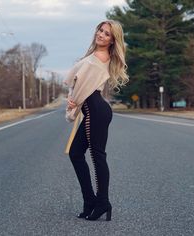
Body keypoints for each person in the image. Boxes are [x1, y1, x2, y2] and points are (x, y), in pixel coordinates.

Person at [64, 20, 128, 221]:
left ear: (112, 41)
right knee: (76, 153)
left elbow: (83, 87)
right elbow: (79, 85)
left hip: (96, 111)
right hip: (95, 110)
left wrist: (74, 103)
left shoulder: (98, 58)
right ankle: (90, 200)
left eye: (107, 34)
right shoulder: (95, 55)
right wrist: (74, 100)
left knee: (97, 155)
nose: (101, 34)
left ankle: (102, 202)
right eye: (100, 30)